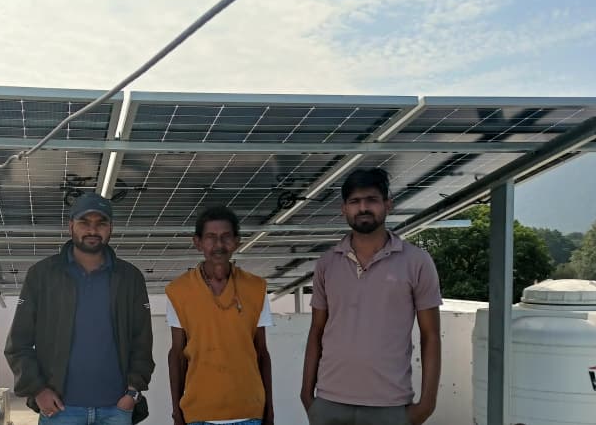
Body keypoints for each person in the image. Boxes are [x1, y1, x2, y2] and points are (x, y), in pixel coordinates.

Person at [300, 168, 442, 425]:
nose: (363, 208)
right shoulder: (327, 263)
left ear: (388, 204)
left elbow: (430, 335)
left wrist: (427, 404)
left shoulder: (417, 261)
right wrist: (307, 397)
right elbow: (316, 330)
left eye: (371, 200)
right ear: (344, 209)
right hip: (329, 404)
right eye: (355, 201)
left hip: (390, 406)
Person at [5, 192, 155, 425]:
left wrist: (133, 392)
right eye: (84, 222)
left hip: (116, 409)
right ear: (71, 226)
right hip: (60, 410)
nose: (92, 230)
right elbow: (18, 344)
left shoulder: (130, 278)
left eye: (101, 223)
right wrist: (38, 390)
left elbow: (142, 341)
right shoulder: (42, 275)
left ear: (111, 228)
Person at [166, 206, 274, 425]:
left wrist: (269, 411)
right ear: (198, 242)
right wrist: (177, 412)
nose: (218, 245)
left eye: (226, 237)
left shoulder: (256, 288)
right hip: (198, 413)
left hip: (249, 411)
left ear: (237, 242)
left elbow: (261, 352)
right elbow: (177, 355)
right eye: (210, 237)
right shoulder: (178, 291)